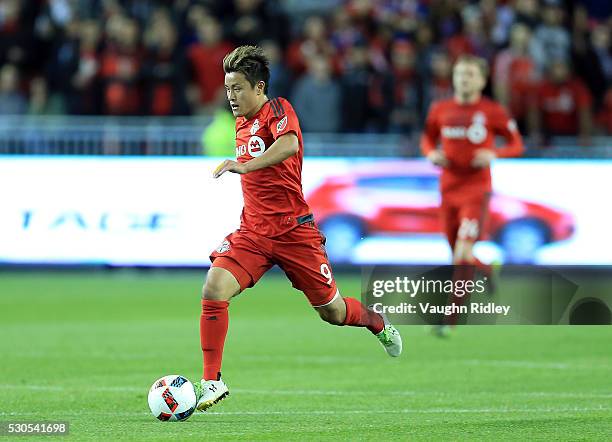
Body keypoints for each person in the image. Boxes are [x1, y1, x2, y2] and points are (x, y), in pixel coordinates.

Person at [196, 45, 402, 411]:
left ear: (259, 88)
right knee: (214, 286)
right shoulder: (241, 123)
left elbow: (289, 145)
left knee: (333, 313)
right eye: (228, 89)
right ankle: (212, 382)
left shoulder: (279, 110)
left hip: (295, 233)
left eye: (238, 88)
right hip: (255, 233)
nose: (231, 96)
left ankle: (376, 322)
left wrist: (246, 166)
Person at [420, 55, 524, 334]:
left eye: (469, 75)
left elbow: (516, 144)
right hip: (448, 189)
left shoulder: (492, 111)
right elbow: (427, 137)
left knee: (463, 251)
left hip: (476, 191)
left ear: (481, 80)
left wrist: (495, 152)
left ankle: (450, 320)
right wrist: (431, 152)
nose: (463, 79)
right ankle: (487, 269)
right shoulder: (440, 108)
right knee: (456, 252)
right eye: (459, 74)